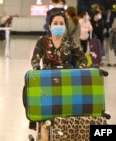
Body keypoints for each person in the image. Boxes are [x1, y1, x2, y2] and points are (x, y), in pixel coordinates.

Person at [31, 12, 87, 141]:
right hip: (47, 82)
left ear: (65, 27)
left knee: (68, 112)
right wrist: (37, 70)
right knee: (46, 115)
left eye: (61, 23)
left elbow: (82, 58)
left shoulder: (70, 42)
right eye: (55, 23)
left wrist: (80, 71)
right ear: (49, 26)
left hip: (67, 82)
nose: (58, 25)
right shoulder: (42, 41)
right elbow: (35, 59)